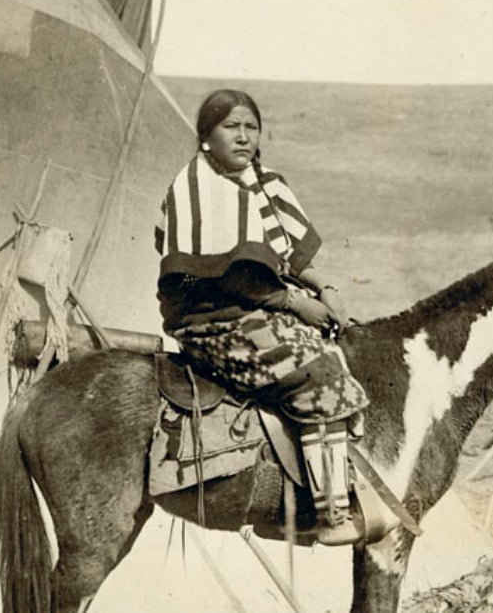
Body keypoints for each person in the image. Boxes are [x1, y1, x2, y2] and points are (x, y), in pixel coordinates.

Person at [153, 89, 368, 545]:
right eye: (231, 126)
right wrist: (298, 304)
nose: (243, 136)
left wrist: (326, 290)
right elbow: (237, 279)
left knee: (333, 345)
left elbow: (287, 254)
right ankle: (328, 513)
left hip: (252, 307)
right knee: (319, 374)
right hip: (212, 320)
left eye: (251, 127)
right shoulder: (197, 188)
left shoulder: (263, 183)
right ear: (206, 136)